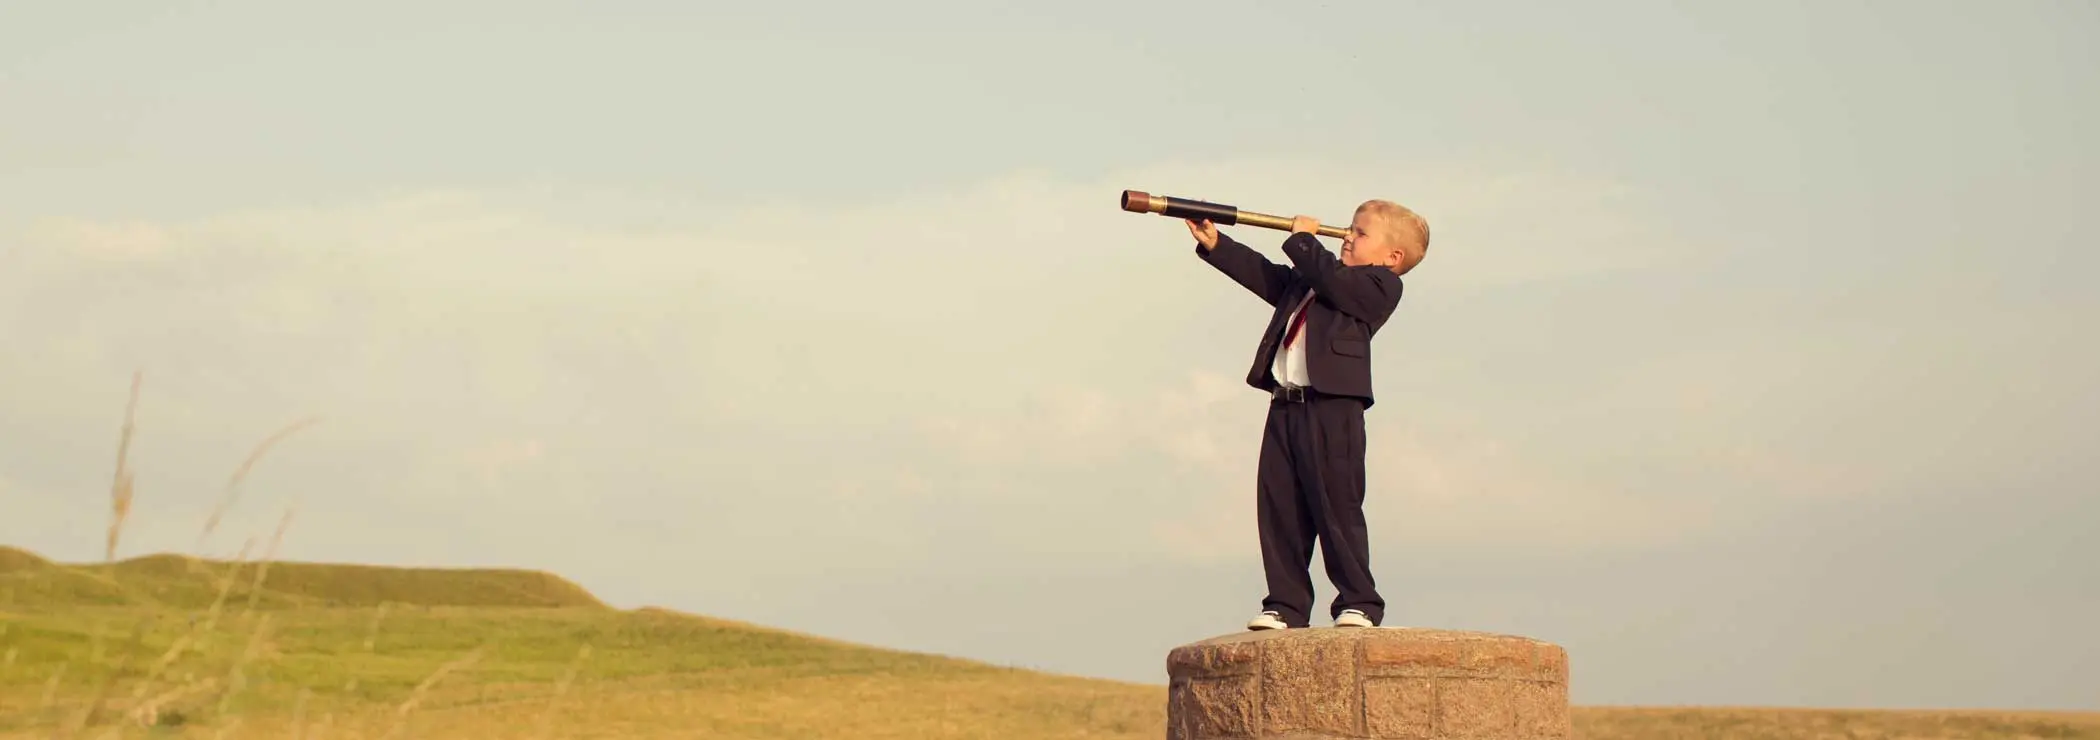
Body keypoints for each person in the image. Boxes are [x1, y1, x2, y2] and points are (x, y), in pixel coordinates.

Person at [1186, 200, 1430, 630]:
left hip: (1332, 409)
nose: (1347, 236)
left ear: (1392, 257)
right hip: (1285, 405)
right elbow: (1270, 277)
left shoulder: (1378, 287)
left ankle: (1359, 601)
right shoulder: (1314, 280)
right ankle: (1286, 604)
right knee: (1280, 508)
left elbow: (1334, 282)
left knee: (1336, 505)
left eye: (1360, 233)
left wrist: (1303, 239)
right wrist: (1217, 244)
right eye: (1350, 228)